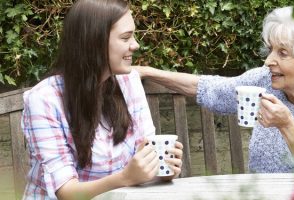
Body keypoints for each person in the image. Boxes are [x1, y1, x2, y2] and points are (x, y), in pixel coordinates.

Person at [135, 6, 294, 176]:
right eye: (271, 49)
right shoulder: (265, 80)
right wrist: (148, 72)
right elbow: (211, 89)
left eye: (283, 53)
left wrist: (287, 126)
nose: (268, 60)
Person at [21, 0, 183, 199]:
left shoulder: (128, 82)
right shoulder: (44, 100)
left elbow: (143, 158)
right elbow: (66, 192)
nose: (135, 45)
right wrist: (125, 178)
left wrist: (161, 168)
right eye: (126, 38)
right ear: (94, 42)